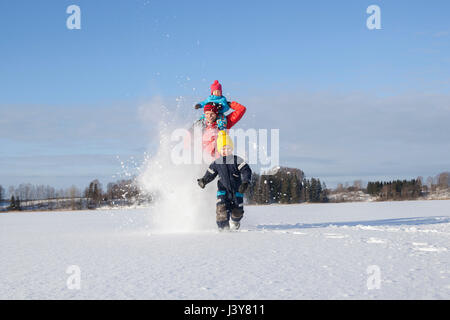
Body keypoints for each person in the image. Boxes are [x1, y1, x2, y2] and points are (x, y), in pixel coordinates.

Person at [197, 131, 252, 231]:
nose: (226, 150)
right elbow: (211, 173)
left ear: (231, 148)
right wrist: (204, 180)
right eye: (223, 148)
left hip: (237, 191)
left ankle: (235, 222)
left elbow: (246, 170)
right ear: (219, 150)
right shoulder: (217, 163)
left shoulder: (237, 160)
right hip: (223, 191)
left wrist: (245, 182)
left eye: (228, 148)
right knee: (221, 210)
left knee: (237, 211)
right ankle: (223, 229)